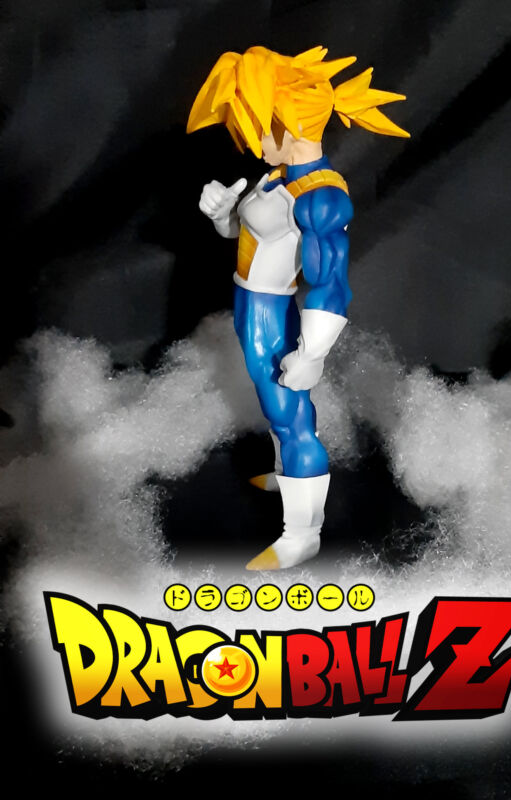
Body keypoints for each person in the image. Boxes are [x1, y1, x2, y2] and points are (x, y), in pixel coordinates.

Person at [187, 45, 409, 569]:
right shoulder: (277, 174)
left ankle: (302, 533)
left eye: (258, 128)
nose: (251, 142)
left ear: (290, 122)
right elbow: (251, 236)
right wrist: (222, 216)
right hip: (249, 302)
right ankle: (289, 468)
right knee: (277, 408)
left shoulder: (320, 197)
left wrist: (311, 354)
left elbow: (331, 284)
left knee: (291, 418)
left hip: (272, 311)